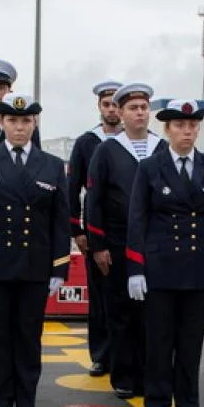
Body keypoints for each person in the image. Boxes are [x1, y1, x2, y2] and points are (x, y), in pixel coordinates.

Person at [126, 98, 204, 407]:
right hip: (161, 267)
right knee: (159, 342)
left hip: (199, 267)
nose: (186, 132)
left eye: (192, 126)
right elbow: (137, 220)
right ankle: (157, 404)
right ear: (167, 129)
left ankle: (188, 404)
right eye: (179, 126)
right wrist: (135, 269)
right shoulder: (149, 168)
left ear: (198, 129)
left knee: (190, 342)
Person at [0, 92, 70, 407]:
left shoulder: (51, 165)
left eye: (26, 121)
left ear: (34, 123)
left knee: (29, 339)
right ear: (2, 123)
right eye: (13, 121)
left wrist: (59, 268)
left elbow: (60, 221)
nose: (19, 127)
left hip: (34, 267)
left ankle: (26, 405)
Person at [84, 82, 158, 401]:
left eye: (143, 107)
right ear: (122, 113)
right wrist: (98, 245)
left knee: (152, 316)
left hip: (155, 246)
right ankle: (124, 376)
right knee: (121, 312)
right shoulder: (107, 150)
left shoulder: (162, 148)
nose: (139, 113)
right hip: (116, 245)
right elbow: (94, 201)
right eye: (132, 108)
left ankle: (148, 376)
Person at [67, 79, 123, 377]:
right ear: (99, 107)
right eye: (107, 104)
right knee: (100, 298)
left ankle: (127, 354)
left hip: (130, 231)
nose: (112, 110)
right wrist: (77, 230)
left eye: (116, 104)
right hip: (97, 231)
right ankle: (101, 355)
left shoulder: (141, 140)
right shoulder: (87, 142)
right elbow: (72, 188)